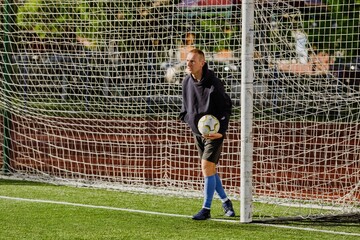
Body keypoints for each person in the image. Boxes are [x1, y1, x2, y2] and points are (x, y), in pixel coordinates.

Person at [179, 48, 235, 220]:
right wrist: (188, 119)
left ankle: (206, 209)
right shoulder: (186, 82)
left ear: (202, 63)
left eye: (192, 61)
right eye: (187, 61)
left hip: (214, 134)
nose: (188, 64)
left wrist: (221, 131)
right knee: (210, 169)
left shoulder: (214, 84)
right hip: (198, 133)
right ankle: (226, 202)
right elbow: (186, 106)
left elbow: (226, 107)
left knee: (205, 167)